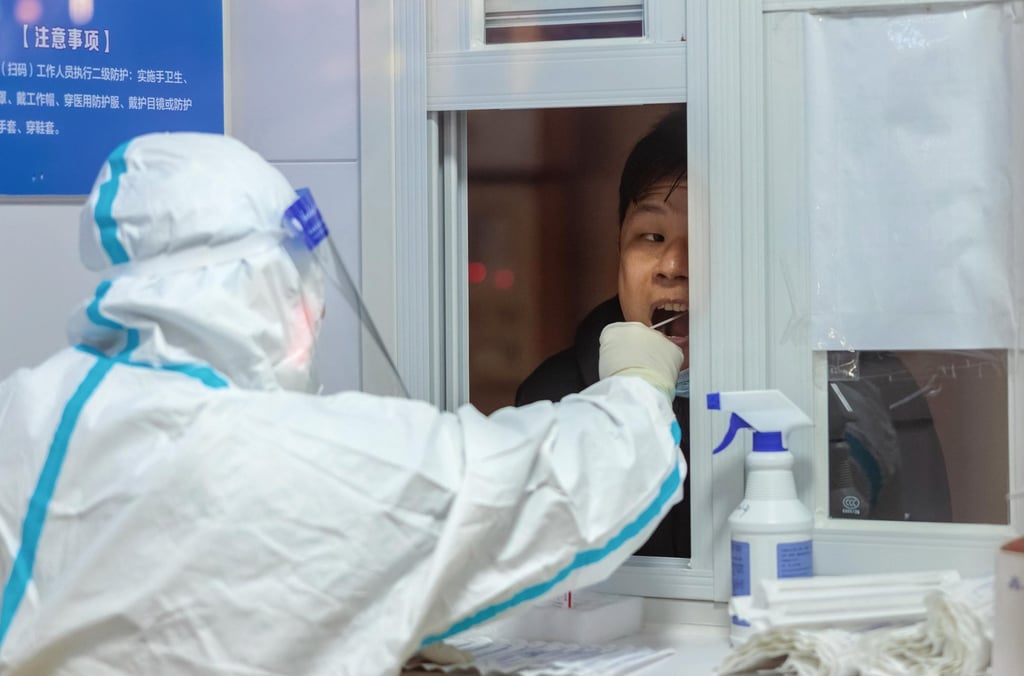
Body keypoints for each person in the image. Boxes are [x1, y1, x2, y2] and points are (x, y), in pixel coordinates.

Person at [0, 132, 687, 675]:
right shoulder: (272, 450)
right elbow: (550, 485)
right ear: (265, 282)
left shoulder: (23, 409)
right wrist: (636, 387)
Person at [517, 109, 691, 558]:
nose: (674, 266)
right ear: (619, 247)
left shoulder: (797, 396)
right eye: (652, 237)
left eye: (706, 238)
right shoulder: (553, 401)